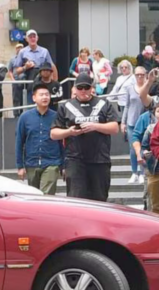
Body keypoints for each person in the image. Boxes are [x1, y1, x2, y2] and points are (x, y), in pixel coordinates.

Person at [51, 74, 119, 202]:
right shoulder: (65, 106)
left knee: (100, 200)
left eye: (86, 87)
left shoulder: (103, 104)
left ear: (91, 88)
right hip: (75, 160)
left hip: (100, 160)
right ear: (75, 89)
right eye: (80, 87)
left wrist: (95, 126)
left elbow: (115, 127)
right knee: (76, 200)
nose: (83, 91)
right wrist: (69, 132)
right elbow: (53, 133)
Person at [15, 84, 63, 195]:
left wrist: (63, 165)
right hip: (32, 163)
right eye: (41, 95)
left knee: (46, 196)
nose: (45, 97)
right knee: (34, 196)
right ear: (34, 98)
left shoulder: (56, 116)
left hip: (52, 162)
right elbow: (19, 142)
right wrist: (20, 166)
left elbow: (62, 142)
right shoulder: (25, 117)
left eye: (47, 95)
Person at [122, 66, 152, 184]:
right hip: (132, 121)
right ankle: (134, 172)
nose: (140, 77)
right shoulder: (130, 88)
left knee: (144, 148)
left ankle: (142, 172)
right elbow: (127, 105)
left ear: (145, 75)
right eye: (137, 74)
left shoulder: (148, 87)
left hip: (145, 122)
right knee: (133, 149)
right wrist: (123, 122)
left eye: (142, 74)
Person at [17, 29, 57, 104]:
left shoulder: (44, 51)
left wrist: (55, 82)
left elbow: (52, 66)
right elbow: (17, 71)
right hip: (30, 83)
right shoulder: (22, 52)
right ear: (26, 39)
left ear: (37, 38)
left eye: (34, 36)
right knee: (30, 106)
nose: (32, 38)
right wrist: (26, 67)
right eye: (30, 37)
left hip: (44, 81)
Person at [137, 105, 159, 213]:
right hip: (155, 169)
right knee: (155, 204)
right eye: (158, 111)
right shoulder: (150, 129)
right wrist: (146, 153)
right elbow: (144, 148)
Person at [7, 43, 25, 117]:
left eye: (21, 48)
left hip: (24, 81)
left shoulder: (26, 58)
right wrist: (12, 79)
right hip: (15, 80)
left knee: (23, 98)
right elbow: (10, 70)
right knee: (15, 98)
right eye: (18, 48)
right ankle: (15, 114)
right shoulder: (12, 59)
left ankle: (22, 113)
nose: (19, 49)